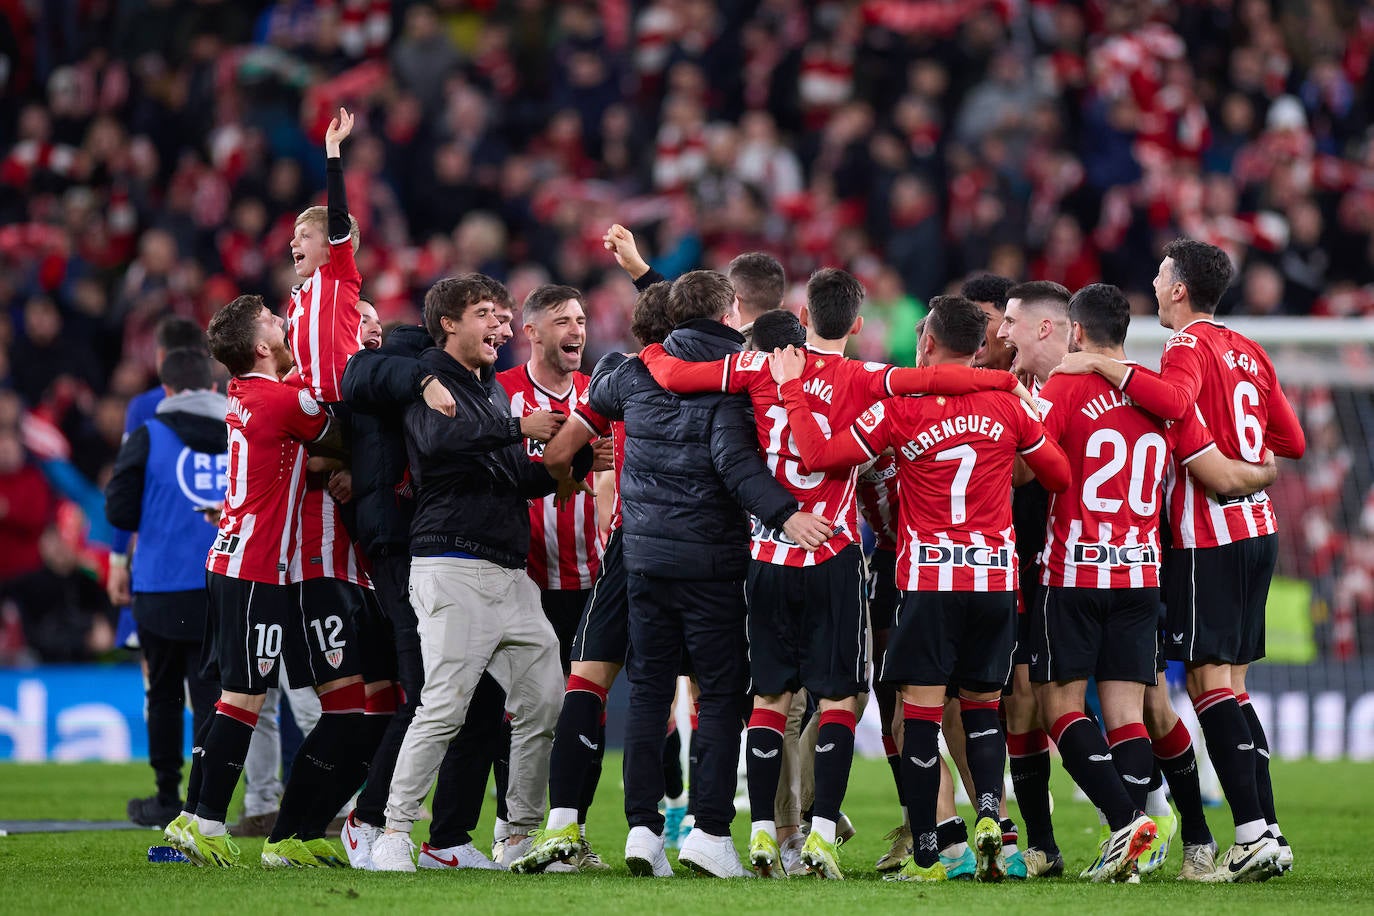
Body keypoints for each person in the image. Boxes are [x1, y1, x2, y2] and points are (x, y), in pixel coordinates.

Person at [638, 268, 1030, 879]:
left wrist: (648, 346)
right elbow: (937, 379)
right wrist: (1006, 381)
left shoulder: (761, 367)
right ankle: (821, 835)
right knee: (839, 696)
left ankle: (765, 834)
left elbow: (673, 375)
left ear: (802, 315)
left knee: (770, 697)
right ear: (855, 325)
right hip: (834, 554)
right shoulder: (870, 378)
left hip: (768, 553)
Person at [771, 295, 1075, 883]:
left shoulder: (899, 410)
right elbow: (1058, 477)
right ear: (982, 347)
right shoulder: (1010, 407)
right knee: (985, 708)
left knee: (919, 715)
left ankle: (933, 853)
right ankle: (993, 822)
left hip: (929, 577)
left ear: (928, 346)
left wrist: (789, 389)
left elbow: (818, 454)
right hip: (994, 580)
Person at [1054, 238, 1306, 881]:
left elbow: (1171, 404)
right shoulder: (1248, 348)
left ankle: (1248, 831)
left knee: (1207, 684)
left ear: (1177, 290)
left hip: (1210, 537)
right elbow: (1291, 441)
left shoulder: (1186, 347)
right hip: (1260, 529)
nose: (1156, 280)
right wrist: (1259, 470)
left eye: (1162, 273)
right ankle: (1268, 827)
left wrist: (1104, 367)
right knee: (1237, 687)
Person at [587, 269, 832, 879]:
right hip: (712, 566)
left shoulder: (639, 369)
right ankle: (710, 833)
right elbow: (735, 464)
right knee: (721, 696)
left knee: (647, 693)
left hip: (642, 559)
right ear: (730, 314)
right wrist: (785, 513)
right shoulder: (737, 374)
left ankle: (642, 830)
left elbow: (600, 393)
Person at [367, 275, 592, 872]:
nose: (500, 326)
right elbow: (439, 443)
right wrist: (521, 429)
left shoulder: (486, 387)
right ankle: (393, 831)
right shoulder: (430, 378)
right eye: (486, 314)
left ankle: (517, 834)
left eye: (502, 315)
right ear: (448, 323)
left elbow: (514, 476)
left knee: (545, 700)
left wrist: (569, 460)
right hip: (452, 565)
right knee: (444, 705)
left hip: (509, 576)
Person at [169, 294, 361, 869]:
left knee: (234, 693)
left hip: (230, 560)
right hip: (258, 567)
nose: (284, 324)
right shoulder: (280, 402)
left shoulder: (247, 393)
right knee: (246, 697)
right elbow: (344, 432)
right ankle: (206, 822)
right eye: (274, 323)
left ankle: (191, 814)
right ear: (260, 346)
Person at [339, 281, 510, 872]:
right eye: (357, 320)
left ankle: (450, 836)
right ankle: (371, 820)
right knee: (428, 692)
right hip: (407, 544)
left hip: (441, 546)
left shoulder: (477, 380)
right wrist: (421, 377)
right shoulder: (401, 360)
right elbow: (359, 377)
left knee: (478, 695)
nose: (364, 331)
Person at [511, 280, 678, 875]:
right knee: (667, 692)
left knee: (585, 685)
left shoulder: (616, 379)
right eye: (565, 319)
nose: (578, 329)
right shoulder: (722, 380)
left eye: (582, 319)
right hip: (691, 554)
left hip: (616, 554)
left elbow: (558, 458)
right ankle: (661, 830)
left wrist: (573, 469)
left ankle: (560, 825)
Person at [104, 349, 226, 830]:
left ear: (167, 390)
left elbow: (118, 511)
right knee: (211, 695)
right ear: (213, 389)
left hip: (157, 585)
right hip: (220, 582)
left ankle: (164, 797)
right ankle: (203, 803)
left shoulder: (148, 435)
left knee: (163, 695)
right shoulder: (236, 432)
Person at [993, 279, 1073, 876]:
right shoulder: (1018, 388)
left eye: (1007, 323)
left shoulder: (1075, 390)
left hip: (1088, 566)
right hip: (1029, 564)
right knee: (1023, 699)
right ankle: (1041, 841)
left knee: (1143, 699)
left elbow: (1030, 476)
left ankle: (1148, 814)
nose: (999, 336)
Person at [107, 316, 210, 654]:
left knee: (160, 684)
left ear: (161, 357)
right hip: (219, 564)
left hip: (159, 568)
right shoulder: (228, 402)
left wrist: (120, 561)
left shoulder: (145, 407)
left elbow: (126, 490)